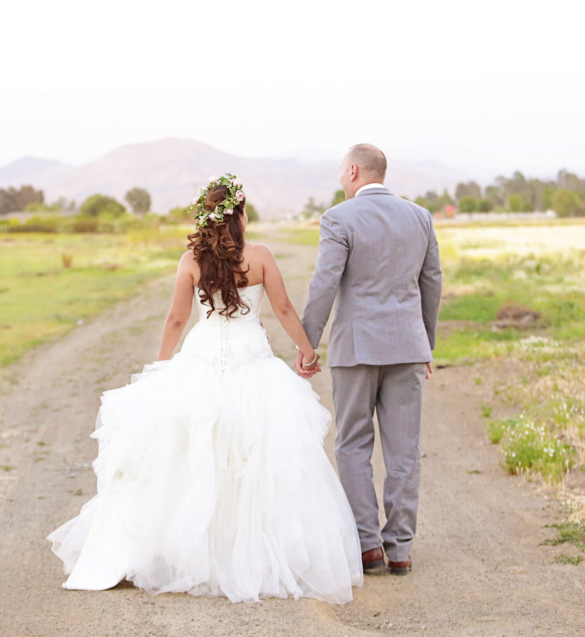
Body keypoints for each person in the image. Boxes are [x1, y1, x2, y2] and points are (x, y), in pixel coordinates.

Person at [48, 173, 363, 603]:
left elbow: (176, 321)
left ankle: (191, 549)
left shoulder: (190, 261)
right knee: (256, 454)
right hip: (254, 362)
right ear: (240, 216)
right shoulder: (262, 256)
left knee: (194, 453)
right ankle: (251, 553)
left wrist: (162, 368)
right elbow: (285, 308)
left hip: (201, 358)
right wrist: (306, 351)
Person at [300, 144, 442, 577]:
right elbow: (431, 281)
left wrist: (307, 343)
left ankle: (367, 546)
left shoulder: (339, 218)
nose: (342, 177)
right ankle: (399, 549)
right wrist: (426, 344)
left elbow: (324, 282)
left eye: (343, 170)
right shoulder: (420, 216)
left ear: (355, 171)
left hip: (356, 349)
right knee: (405, 450)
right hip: (407, 349)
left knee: (353, 444)